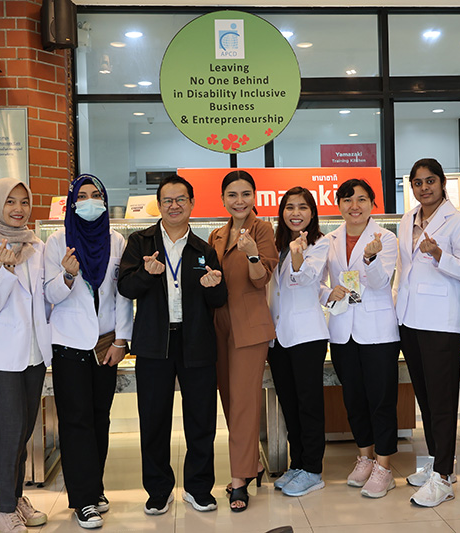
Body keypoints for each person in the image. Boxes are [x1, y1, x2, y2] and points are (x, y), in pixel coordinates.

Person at [118, 175, 227, 516]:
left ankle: (198, 488)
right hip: (154, 344)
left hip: (196, 342)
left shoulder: (203, 248)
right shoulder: (139, 242)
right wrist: (146, 274)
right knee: (153, 421)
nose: (175, 205)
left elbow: (219, 298)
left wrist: (212, 286)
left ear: (192, 204)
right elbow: (125, 288)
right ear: (159, 204)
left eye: (181, 199)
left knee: (201, 421)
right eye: (168, 200)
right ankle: (158, 490)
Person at [43, 174, 133, 529]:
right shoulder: (57, 241)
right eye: (83, 196)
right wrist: (66, 276)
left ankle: (95, 488)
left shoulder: (116, 240)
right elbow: (49, 295)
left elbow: (122, 294)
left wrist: (122, 341)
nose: (90, 201)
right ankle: (82, 500)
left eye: (97, 195)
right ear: (72, 201)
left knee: (100, 418)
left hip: (104, 344)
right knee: (75, 421)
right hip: (68, 344)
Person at [0, 177, 51, 533]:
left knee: (25, 430)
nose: (18, 209)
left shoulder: (35, 244)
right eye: (10, 202)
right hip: (1, 356)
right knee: (11, 429)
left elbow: (44, 299)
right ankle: (2, 510)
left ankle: (16, 498)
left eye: (24, 202)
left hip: (33, 353)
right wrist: (5, 269)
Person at [394, 158, 460, 508]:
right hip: (410, 319)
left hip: (440, 322)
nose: (424, 187)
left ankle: (443, 476)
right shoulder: (406, 220)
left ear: (443, 183)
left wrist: (439, 254)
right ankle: (437, 463)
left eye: (430, 181)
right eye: (417, 182)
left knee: (442, 400)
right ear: (411, 187)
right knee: (425, 398)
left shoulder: (458, 223)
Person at [322, 179, 402, 500]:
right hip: (342, 329)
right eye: (347, 200)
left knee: (381, 399)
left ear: (373, 204)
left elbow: (382, 284)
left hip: (378, 331)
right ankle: (365, 457)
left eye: (362, 199)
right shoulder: (329, 239)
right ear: (338, 204)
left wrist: (371, 259)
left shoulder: (387, 238)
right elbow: (318, 280)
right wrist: (328, 292)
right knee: (354, 399)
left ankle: (384, 467)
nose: (354, 206)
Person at [209, 170, 277, 512]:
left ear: (255, 196)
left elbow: (261, 277)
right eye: (232, 195)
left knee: (244, 402)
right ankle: (253, 463)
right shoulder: (217, 235)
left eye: (246, 194)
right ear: (223, 199)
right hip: (220, 324)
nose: (240, 200)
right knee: (228, 397)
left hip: (250, 326)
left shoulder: (262, 229)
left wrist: (251, 254)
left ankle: (239, 481)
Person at [267, 187, 329, 497]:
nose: (295, 213)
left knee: (309, 405)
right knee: (290, 405)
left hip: (307, 336)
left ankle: (313, 470)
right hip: (278, 338)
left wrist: (297, 255)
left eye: (302, 207)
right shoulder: (277, 245)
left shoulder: (320, 244)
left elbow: (305, 279)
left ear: (312, 212)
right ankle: (298, 463)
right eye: (289, 207)